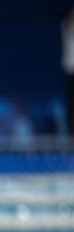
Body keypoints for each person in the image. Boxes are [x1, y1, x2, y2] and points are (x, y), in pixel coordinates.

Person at [63, 7, 74, 136]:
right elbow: (67, 24)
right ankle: (70, 131)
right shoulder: (66, 27)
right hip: (70, 70)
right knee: (70, 104)